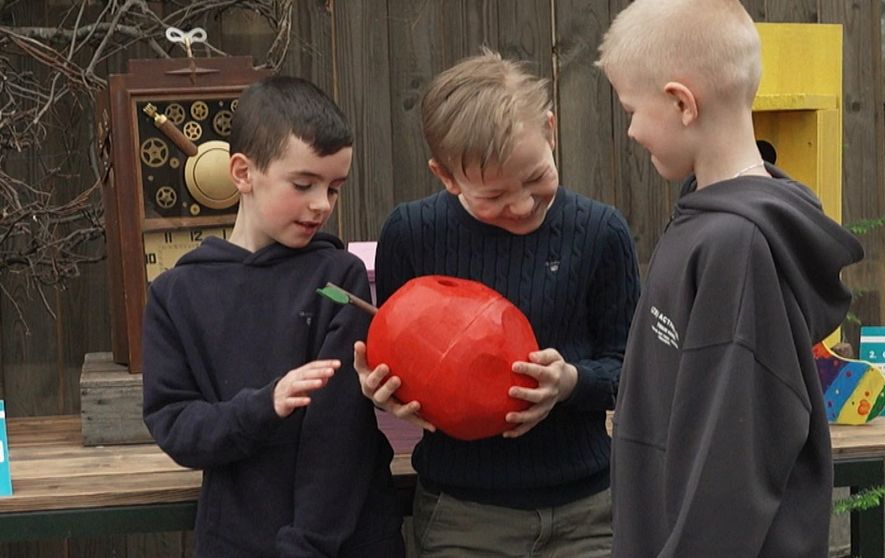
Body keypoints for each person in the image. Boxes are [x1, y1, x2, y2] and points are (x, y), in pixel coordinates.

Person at [596, 1, 865, 556]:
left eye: (632, 110)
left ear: (682, 102)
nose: (631, 130)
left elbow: (731, 470)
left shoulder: (736, 246)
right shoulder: (705, 216)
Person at [355, 49, 640, 557]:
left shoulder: (601, 233)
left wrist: (570, 382)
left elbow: (634, 370)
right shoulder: (412, 235)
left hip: (588, 514)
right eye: (493, 196)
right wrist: (383, 388)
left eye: (535, 177)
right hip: (463, 518)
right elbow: (401, 360)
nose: (522, 204)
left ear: (550, 130)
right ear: (446, 176)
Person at [142, 76, 404, 558]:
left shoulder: (338, 278)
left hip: (348, 542)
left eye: (334, 188)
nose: (321, 204)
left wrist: (305, 546)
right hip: (238, 542)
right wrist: (264, 405)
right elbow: (176, 425)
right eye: (303, 184)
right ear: (243, 173)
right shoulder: (175, 295)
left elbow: (339, 434)